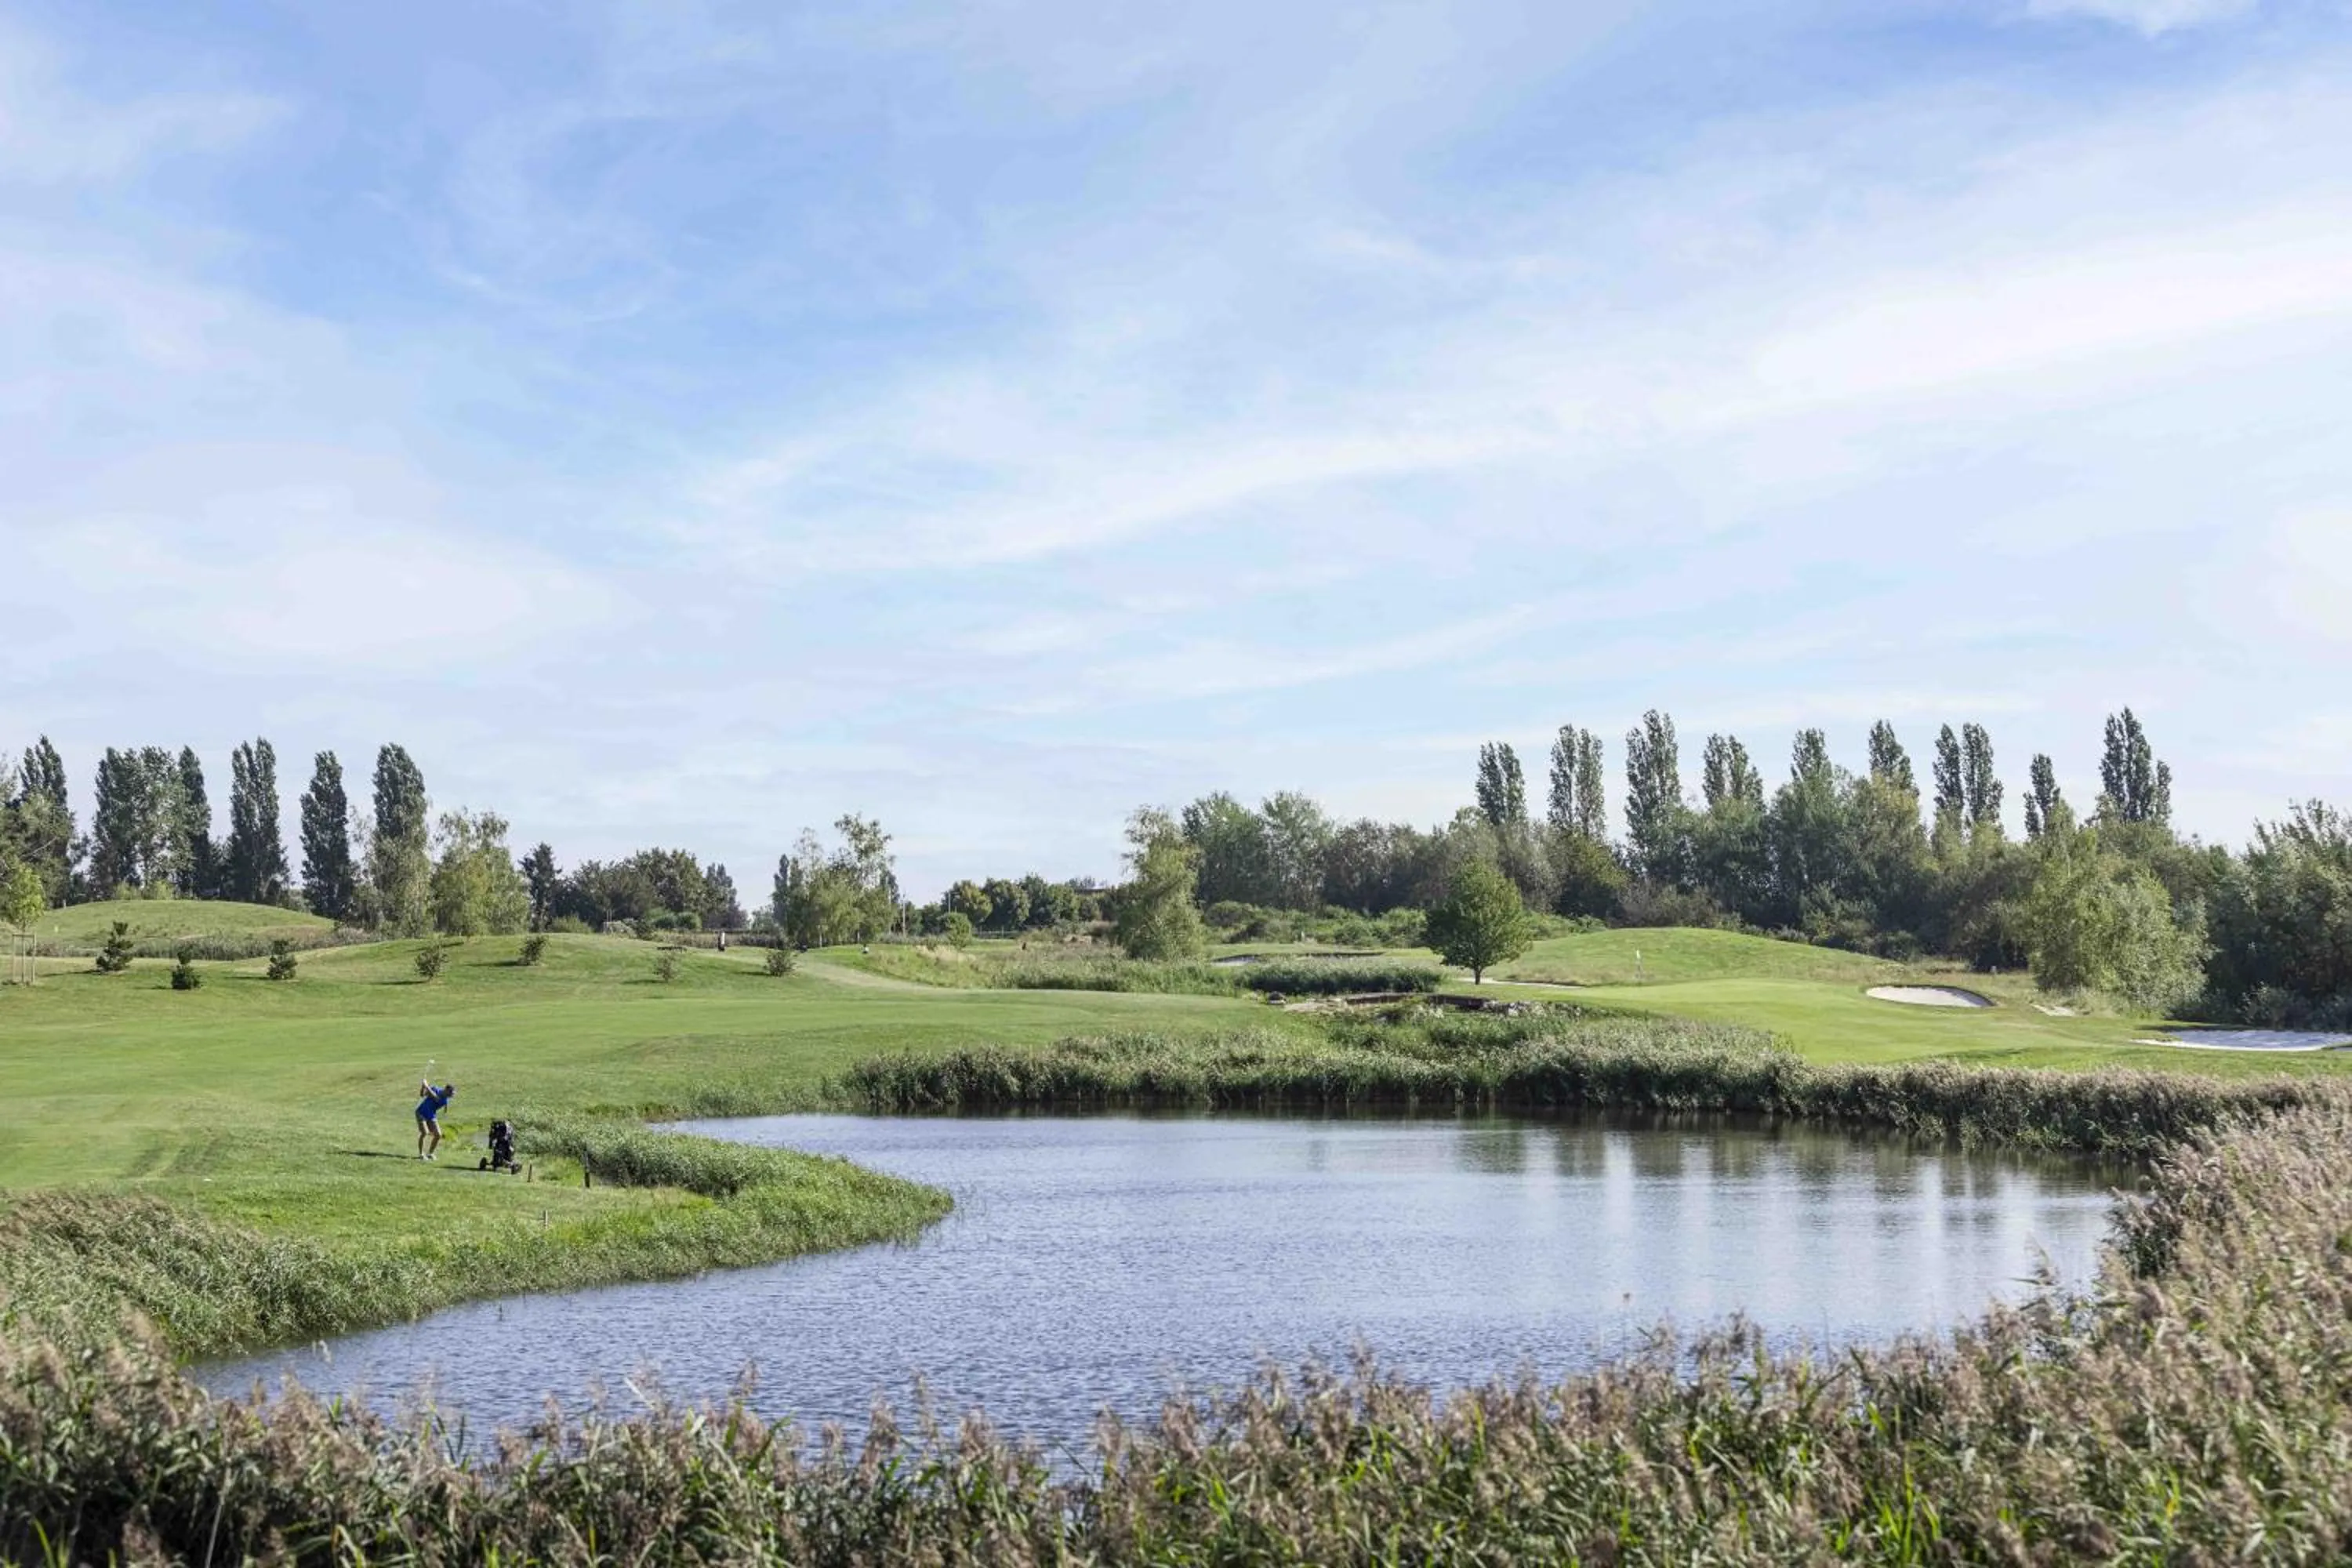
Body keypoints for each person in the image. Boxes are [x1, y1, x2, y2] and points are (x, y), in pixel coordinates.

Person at [416, 1079, 456, 1160]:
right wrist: (423, 1087)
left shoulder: (444, 1100)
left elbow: (435, 1097)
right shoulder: (435, 1089)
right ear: (446, 1090)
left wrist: (426, 1086)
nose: (451, 1096)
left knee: (438, 1135)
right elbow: (422, 1095)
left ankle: (430, 1153)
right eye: (450, 1093)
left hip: (431, 1115)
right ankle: (421, 1154)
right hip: (421, 1113)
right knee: (425, 1133)